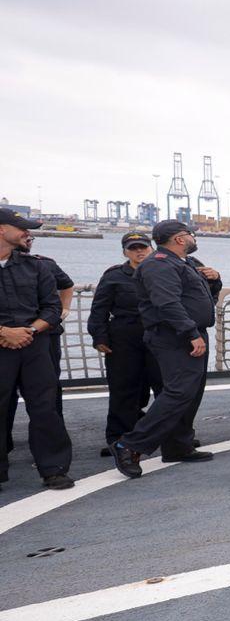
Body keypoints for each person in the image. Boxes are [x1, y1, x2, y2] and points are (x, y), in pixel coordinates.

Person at [112, 219, 218, 478]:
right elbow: (167, 303)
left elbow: (198, 296)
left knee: (191, 393)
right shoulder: (159, 264)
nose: (194, 239)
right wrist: (191, 333)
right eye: (190, 235)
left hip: (189, 334)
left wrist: (215, 279)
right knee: (178, 392)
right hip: (175, 337)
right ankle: (129, 444)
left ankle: (178, 445)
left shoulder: (185, 263)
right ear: (180, 238)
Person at [0, 207, 73, 490]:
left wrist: (29, 331)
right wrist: (4, 332)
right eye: (22, 229)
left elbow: (53, 307)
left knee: (45, 407)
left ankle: (54, 468)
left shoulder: (38, 266)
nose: (27, 233)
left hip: (34, 345)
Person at [87, 231, 162, 457]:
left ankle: (174, 435)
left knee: (165, 387)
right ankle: (119, 438)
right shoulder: (113, 276)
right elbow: (99, 308)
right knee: (123, 388)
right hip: (125, 336)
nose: (139, 251)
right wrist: (99, 337)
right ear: (125, 252)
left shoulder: (162, 271)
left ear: (151, 249)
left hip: (158, 334)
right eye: (133, 248)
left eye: (143, 247)